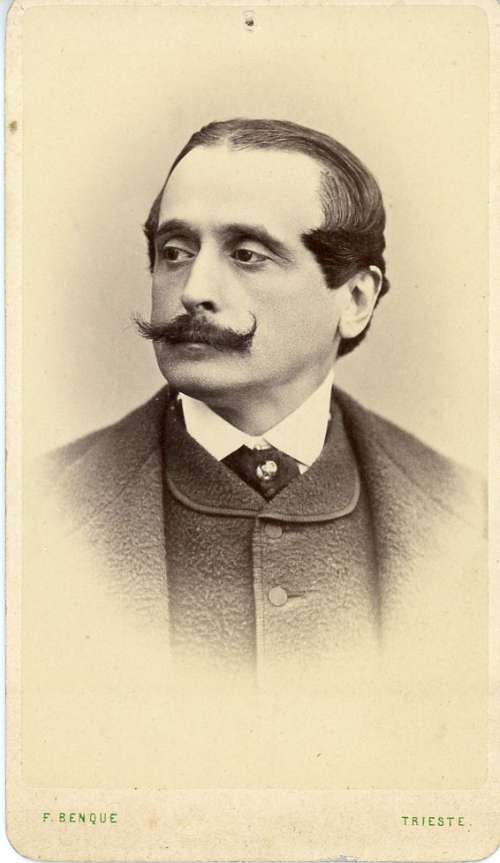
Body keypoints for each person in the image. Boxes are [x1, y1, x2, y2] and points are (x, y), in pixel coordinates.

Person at [27, 118, 487, 787]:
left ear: (356, 299)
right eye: (175, 251)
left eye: (246, 254)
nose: (192, 290)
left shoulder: (470, 520)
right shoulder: (32, 515)